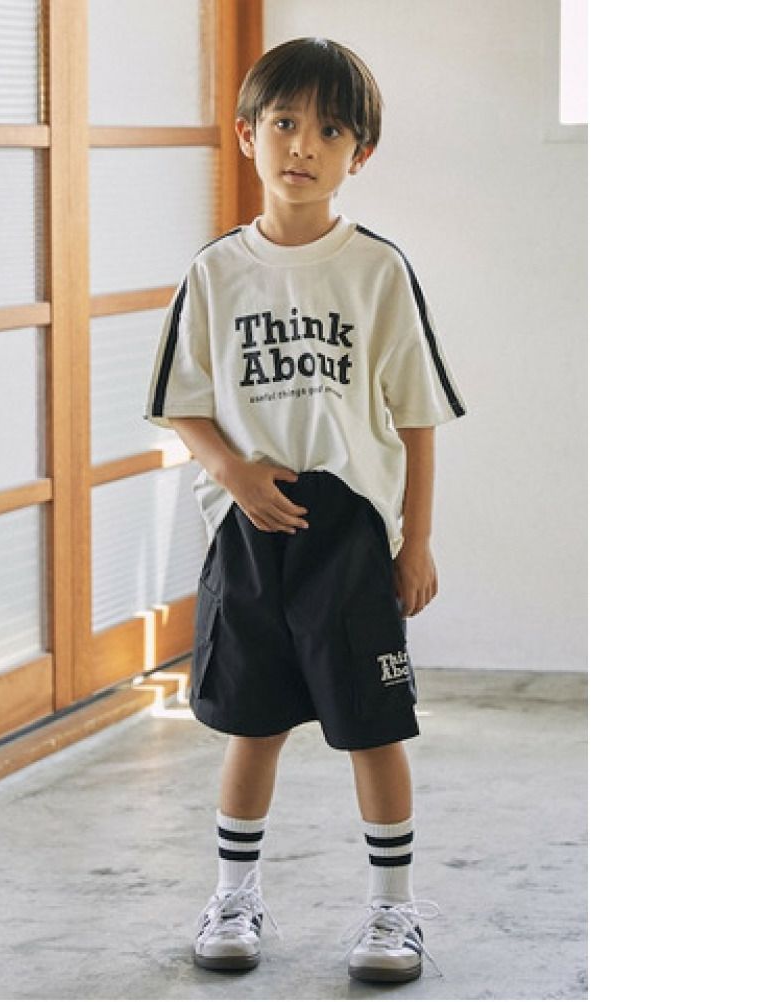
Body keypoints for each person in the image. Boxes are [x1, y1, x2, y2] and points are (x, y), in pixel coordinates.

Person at [144, 36, 466, 983]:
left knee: (375, 724)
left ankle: (393, 912)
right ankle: (232, 897)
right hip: (249, 531)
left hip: (349, 536)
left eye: (330, 131)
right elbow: (183, 405)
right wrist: (237, 474)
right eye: (285, 123)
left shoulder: (377, 270)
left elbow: (417, 417)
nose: (303, 146)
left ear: (359, 153)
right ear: (248, 133)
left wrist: (415, 541)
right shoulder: (215, 272)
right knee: (252, 724)